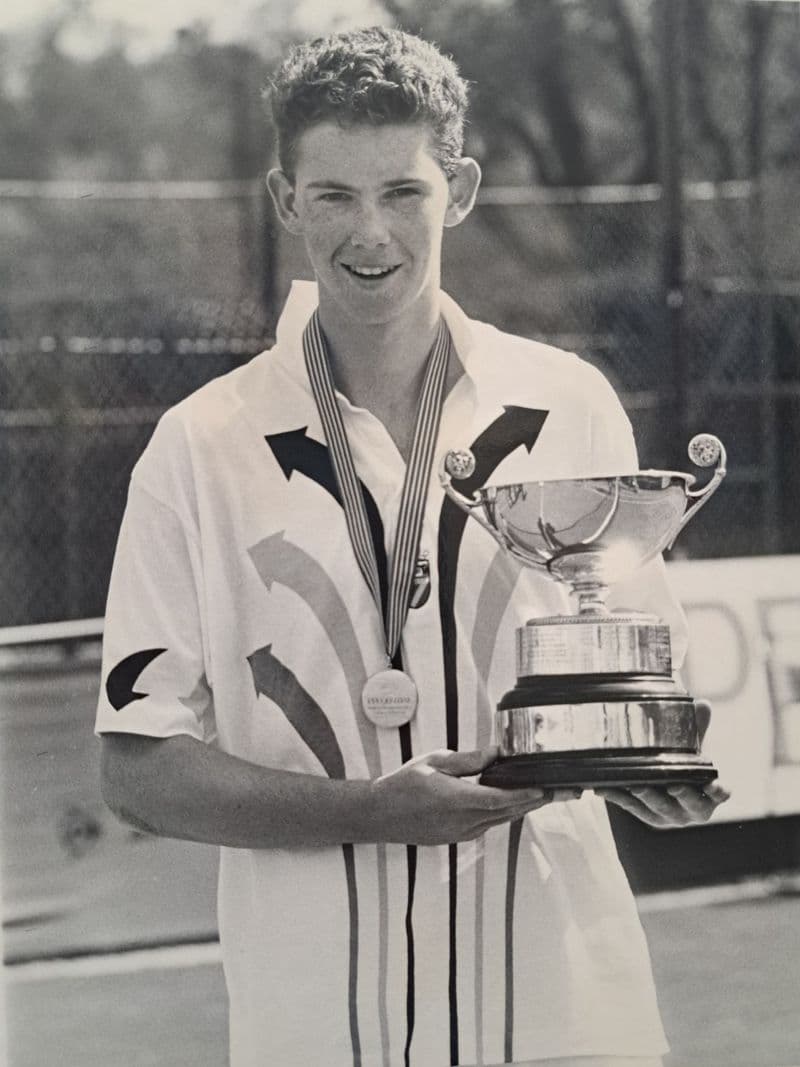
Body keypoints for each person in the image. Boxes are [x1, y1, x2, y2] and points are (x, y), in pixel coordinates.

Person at [96, 26, 728, 1067]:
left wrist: (645, 765)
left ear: (461, 188)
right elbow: (136, 765)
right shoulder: (199, 444)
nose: (369, 233)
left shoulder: (566, 401)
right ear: (283, 199)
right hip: (317, 1024)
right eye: (333, 194)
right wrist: (369, 812)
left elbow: (629, 675)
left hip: (563, 1012)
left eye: (402, 191)